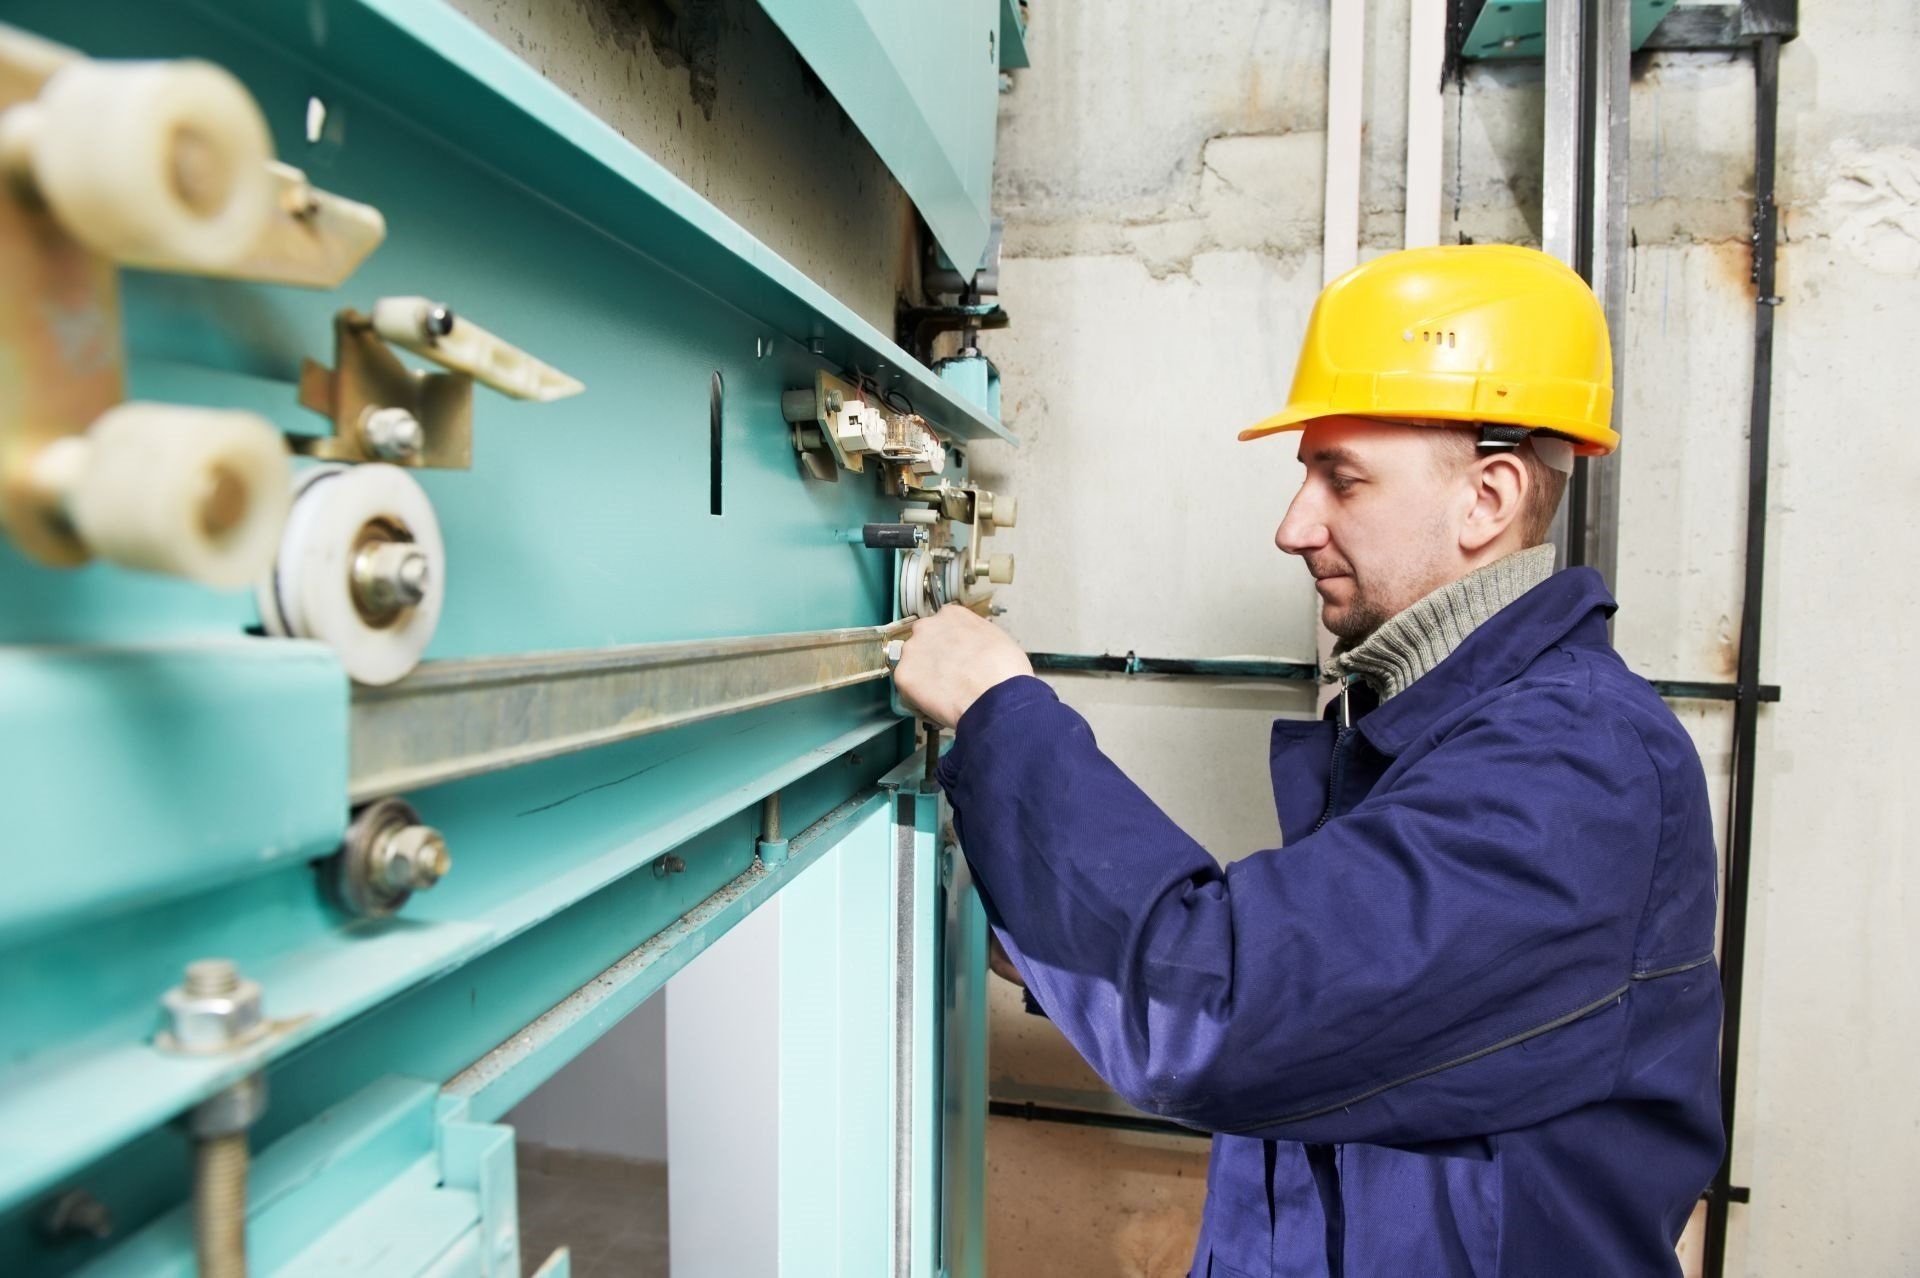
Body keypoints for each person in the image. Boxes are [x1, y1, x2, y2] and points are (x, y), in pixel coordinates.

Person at [892, 245, 1724, 1277]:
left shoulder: (1575, 768)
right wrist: (1050, 939)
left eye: (1343, 479)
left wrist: (999, 712)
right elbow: (1339, 1029)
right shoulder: (1441, 727)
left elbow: (1222, 1018)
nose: (1294, 527)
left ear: (1488, 498)